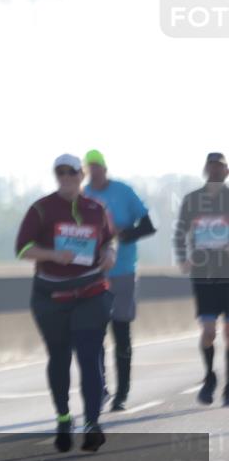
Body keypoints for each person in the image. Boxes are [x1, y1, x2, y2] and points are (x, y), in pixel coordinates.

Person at [15, 154, 116, 453]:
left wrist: (110, 254)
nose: (66, 177)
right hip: (51, 296)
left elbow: (109, 240)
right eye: (60, 173)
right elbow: (22, 249)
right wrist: (52, 255)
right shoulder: (42, 209)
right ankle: (63, 418)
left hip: (91, 291)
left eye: (72, 172)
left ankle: (93, 425)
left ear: (81, 175)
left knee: (89, 357)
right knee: (59, 358)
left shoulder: (96, 209)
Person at [82, 150, 156, 411]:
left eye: (98, 167)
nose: (94, 172)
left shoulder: (124, 192)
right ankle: (100, 388)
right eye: (90, 168)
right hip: (93, 274)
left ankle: (122, 393)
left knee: (121, 334)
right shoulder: (83, 196)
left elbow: (148, 225)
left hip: (123, 272)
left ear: (105, 168)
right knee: (94, 335)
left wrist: (125, 234)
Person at [173, 151, 229, 406]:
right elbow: (180, 232)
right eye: (212, 167)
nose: (216, 171)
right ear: (206, 170)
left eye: (221, 168)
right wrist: (183, 258)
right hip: (204, 276)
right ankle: (209, 377)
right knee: (208, 333)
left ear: (226, 172)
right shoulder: (192, 200)